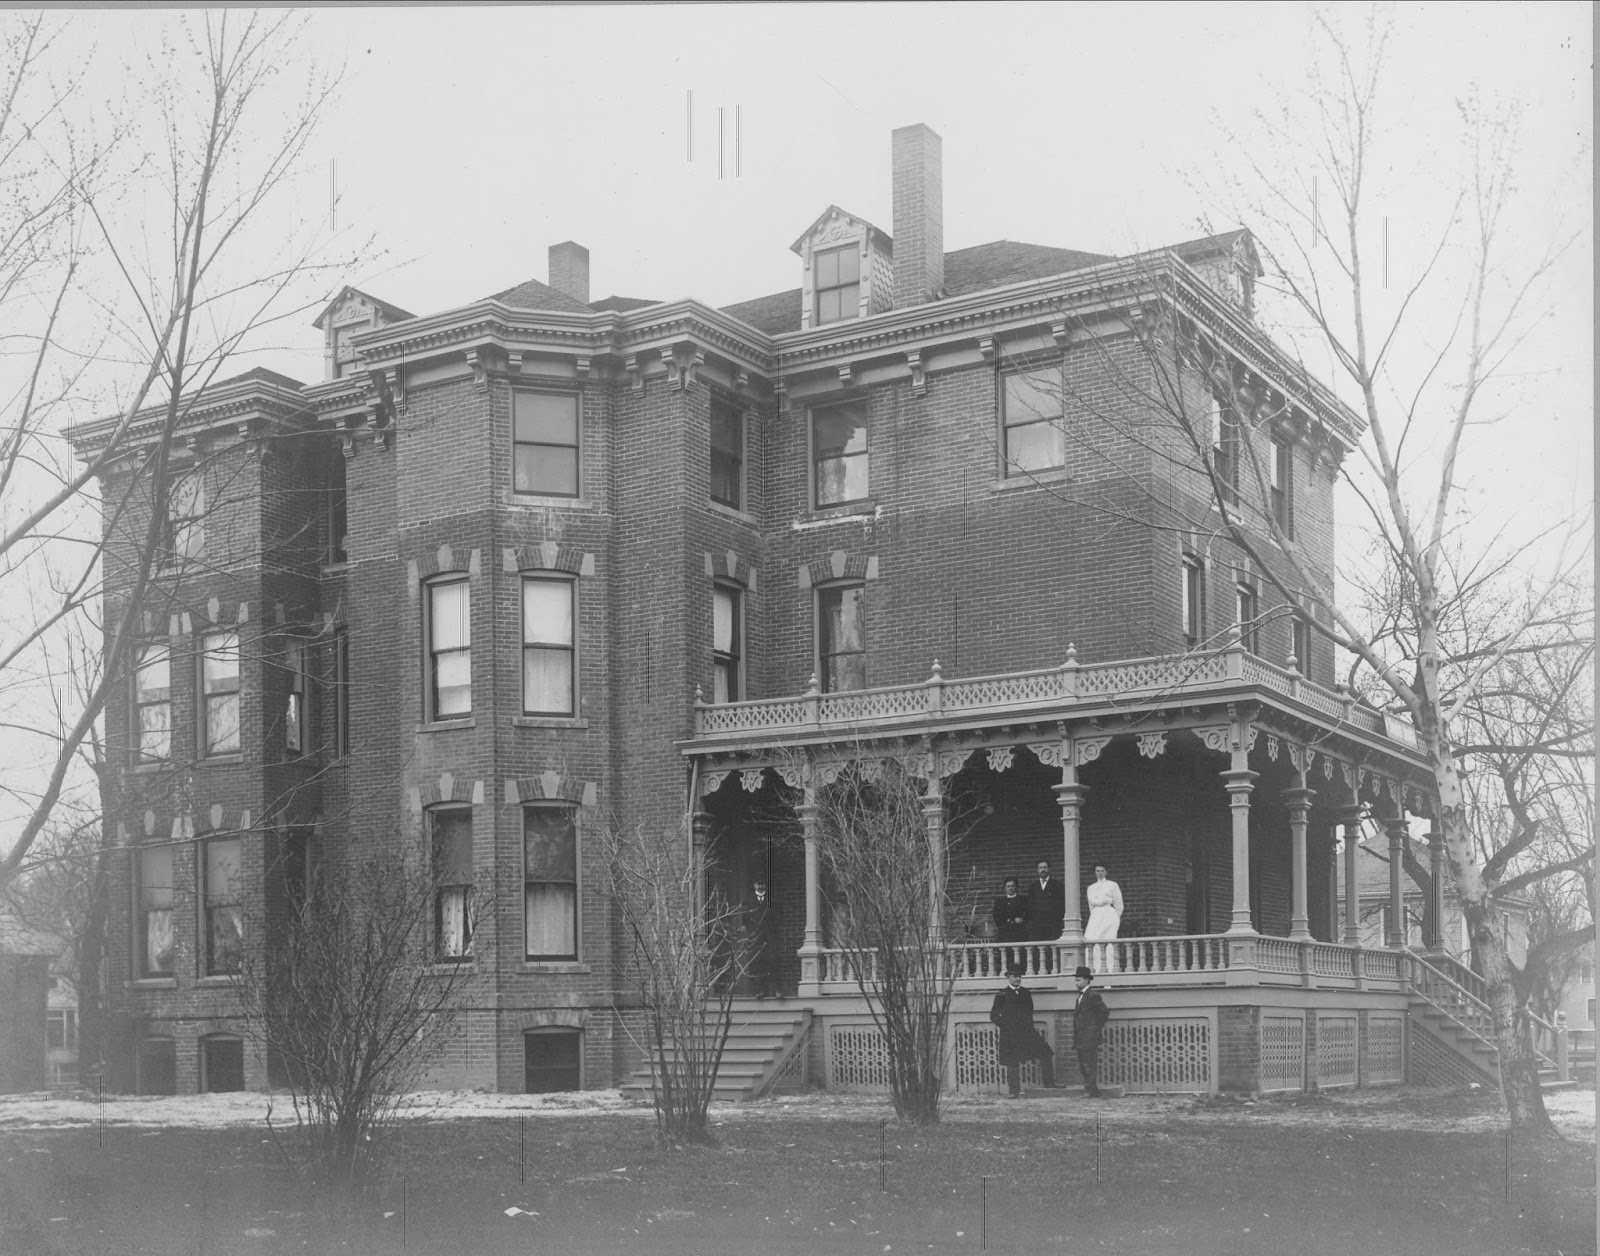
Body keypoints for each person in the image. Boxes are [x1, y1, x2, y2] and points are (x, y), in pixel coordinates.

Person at [989, 964, 1060, 1097]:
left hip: (1027, 1032)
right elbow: (993, 1016)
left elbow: (1030, 1011)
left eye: (1019, 976)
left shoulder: (1026, 993)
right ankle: (1014, 1091)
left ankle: (1049, 1083)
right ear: (1008, 977)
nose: (1018, 979)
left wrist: (1028, 1026)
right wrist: (1007, 1026)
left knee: (1046, 1052)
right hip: (1010, 1034)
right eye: (1015, 976)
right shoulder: (1001, 995)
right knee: (1012, 1062)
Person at [1071, 964, 1111, 1097]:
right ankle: (1089, 1089)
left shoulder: (1093, 995)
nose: (1077, 982)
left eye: (1079, 980)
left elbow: (1104, 1013)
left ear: (1087, 980)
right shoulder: (1080, 996)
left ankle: (1091, 1090)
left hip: (1089, 1037)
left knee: (1089, 1064)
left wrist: (1094, 1029)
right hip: (1081, 1037)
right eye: (1076, 980)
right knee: (1084, 1064)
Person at [1027, 860, 1065, 972]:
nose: (1043, 870)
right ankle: (1040, 971)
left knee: (1052, 949)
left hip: (1052, 923)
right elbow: (1030, 906)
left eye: (1045, 867)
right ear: (1037, 870)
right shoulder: (1033, 887)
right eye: (1040, 868)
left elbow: (1061, 904)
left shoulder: (1057, 885)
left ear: (1049, 869)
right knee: (1039, 949)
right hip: (1038, 924)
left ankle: (1053, 970)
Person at [1084, 866, 1124, 972]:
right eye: (1097, 871)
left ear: (1106, 872)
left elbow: (1119, 904)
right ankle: (1093, 971)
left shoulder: (1112, 885)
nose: (1100, 873)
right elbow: (1091, 906)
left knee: (1108, 943)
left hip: (1109, 915)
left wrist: (1114, 917)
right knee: (1091, 939)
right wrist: (1096, 915)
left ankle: (1109, 972)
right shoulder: (1091, 888)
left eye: (1102, 871)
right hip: (1096, 916)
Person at [744, 877, 778, 998]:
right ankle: (759, 991)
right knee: (756, 962)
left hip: (769, 935)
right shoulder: (748, 901)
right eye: (758, 884)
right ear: (754, 885)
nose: (761, 886)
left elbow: (777, 916)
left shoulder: (771, 899)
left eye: (763, 884)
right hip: (755, 936)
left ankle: (775, 990)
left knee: (772, 960)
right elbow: (745, 918)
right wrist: (752, 932)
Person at [992, 877, 1029, 971]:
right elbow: (998, 920)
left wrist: (1021, 920)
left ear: (1016, 887)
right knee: (1007, 959)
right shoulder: (999, 902)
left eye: (1012, 886)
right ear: (1005, 888)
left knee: (1021, 958)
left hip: (1020, 935)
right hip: (1005, 935)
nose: (1010, 888)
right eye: (1008, 886)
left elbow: (1028, 916)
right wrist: (1012, 921)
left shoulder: (1023, 900)